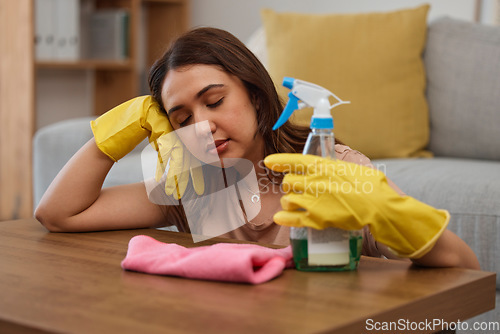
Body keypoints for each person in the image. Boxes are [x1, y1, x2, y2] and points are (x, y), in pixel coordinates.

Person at [35, 27, 479, 270]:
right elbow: (58, 214)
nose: (203, 126)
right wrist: (122, 127)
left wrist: (390, 212)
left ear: (256, 94)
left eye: (214, 101)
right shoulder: (195, 184)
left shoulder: (331, 172)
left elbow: (465, 268)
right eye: (183, 118)